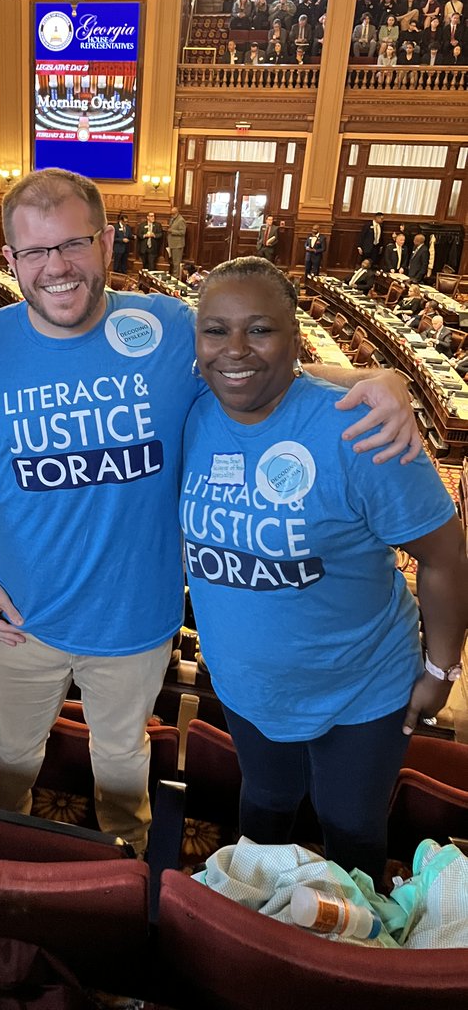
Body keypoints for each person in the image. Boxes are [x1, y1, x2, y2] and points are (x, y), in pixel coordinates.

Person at [0, 167, 420, 855]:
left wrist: (378, 378)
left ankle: (127, 872)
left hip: (135, 618)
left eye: (73, 244)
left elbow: (255, 363)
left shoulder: (164, 327)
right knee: (9, 756)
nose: (58, 267)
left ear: (107, 242)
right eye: (37, 252)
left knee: (122, 765)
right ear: (10, 261)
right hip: (17, 615)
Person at [181, 257, 468, 883]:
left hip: (362, 689)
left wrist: (442, 668)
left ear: (293, 335)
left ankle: (349, 963)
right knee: (264, 806)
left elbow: (444, 556)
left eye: (260, 330)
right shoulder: (187, 409)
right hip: (246, 686)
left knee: (352, 827)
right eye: (216, 330)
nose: (235, 350)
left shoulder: (361, 430)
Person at [166, 208, 187, 277]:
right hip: (172, 244)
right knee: (173, 261)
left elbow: (182, 232)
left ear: (177, 213)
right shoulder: (172, 219)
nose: (171, 215)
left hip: (178, 245)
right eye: (171, 214)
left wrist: (172, 231)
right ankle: (174, 275)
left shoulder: (181, 220)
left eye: (173, 214)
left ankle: (176, 277)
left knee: (176, 262)